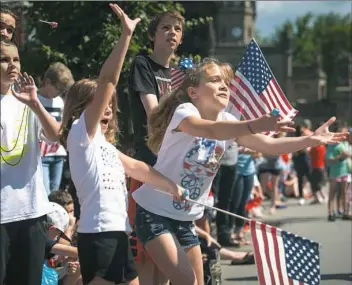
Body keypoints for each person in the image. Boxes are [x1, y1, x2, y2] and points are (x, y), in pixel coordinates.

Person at [132, 57, 347, 284]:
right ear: (194, 92)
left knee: (192, 281)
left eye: (226, 82)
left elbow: (269, 145)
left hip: (186, 219)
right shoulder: (185, 112)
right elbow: (211, 130)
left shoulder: (228, 120)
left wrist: (311, 140)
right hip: (154, 212)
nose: (224, 86)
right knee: (186, 279)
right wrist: (255, 124)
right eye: (215, 80)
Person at [60, 5, 186, 285]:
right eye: (100, 105)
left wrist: (172, 186)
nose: (107, 110)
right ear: (82, 108)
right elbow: (108, 80)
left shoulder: (105, 147)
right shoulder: (82, 135)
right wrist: (126, 36)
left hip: (119, 233)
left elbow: (138, 168)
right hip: (99, 235)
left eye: (109, 107)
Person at [127, 9, 184, 284]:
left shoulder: (177, 74)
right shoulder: (142, 64)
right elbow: (153, 113)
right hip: (147, 164)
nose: (172, 32)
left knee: (169, 243)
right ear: (153, 34)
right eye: (165, 27)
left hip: (171, 166)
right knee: (145, 249)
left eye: (177, 29)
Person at [1, 38, 61, 285]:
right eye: (4, 59)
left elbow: (56, 135)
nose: (12, 65)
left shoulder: (28, 102)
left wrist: (36, 104)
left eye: (16, 59)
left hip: (32, 212)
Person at [39, 62, 75, 194]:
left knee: (54, 193)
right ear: (48, 82)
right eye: (58, 89)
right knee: (45, 191)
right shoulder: (35, 99)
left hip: (58, 153)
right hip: (41, 154)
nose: (60, 93)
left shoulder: (60, 102)